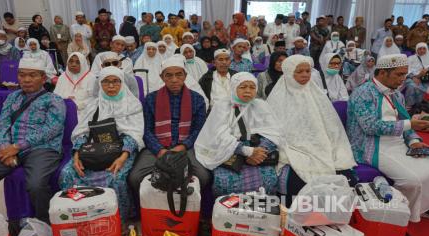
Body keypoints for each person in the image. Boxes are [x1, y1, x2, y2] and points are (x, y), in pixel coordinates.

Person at [347, 53, 429, 222]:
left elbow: (404, 119)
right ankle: (407, 214)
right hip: (372, 146)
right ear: (382, 73)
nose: (403, 79)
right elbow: (370, 127)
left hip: (399, 142)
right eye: (399, 74)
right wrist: (410, 125)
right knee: (414, 180)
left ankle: (426, 205)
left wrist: (413, 140)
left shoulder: (396, 93)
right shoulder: (363, 93)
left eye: (405, 74)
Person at [0, 58, 66, 223]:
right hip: (11, 149)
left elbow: (52, 129)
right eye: (22, 75)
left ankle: (45, 224)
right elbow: (3, 125)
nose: (26, 80)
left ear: (43, 78)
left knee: (35, 185)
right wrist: (5, 148)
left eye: (32, 75)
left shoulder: (54, 100)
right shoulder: (12, 98)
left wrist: (17, 146)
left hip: (43, 149)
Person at [267, 55, 357, 206]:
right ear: (289, 73)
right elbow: (274, 129)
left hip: (322, 144)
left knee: (345, 176)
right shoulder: (277, 96)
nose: (304, 75)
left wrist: (326, 144)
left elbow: (331, 125)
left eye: (307, 71)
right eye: (299, 71)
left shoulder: (316, 93)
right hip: (294, 147)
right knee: (298, 181)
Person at [59, 66, 143, 226]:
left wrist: (123, 157)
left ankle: (119, 222)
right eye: (106, 82)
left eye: (115, 81)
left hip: (122, 151)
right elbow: (81, 133)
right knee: (67, 173)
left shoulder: (132, 105)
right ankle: (81, 216)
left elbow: (135, 135)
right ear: (100, 84)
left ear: (122, 83)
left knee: (116, 178)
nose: (111, 86)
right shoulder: (93, 105)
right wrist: (76, 154)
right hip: (93, 150)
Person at [127, 56, 210, 192]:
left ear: (185, 75)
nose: (174, 80)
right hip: (157, 148)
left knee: (203, 176)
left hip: (187, 148)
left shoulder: (197, 99)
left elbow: (198, 130)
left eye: (179, 74)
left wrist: (182, 147)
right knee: (135, 178)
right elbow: (146, 130)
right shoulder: (151, 99)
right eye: (169, 75)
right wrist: (160, 151)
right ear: (162, 77)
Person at [195, 72, 281, 196]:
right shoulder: (222, 106)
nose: (248, 91)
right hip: (229, 151)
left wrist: (259, 152)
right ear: (234, 88)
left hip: (258, 151)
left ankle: (259, 210)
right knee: (224, 182)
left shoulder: (261, 105)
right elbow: (218, 135)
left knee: (269, 178)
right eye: (243, 87)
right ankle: (227, 211)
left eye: (252, 87)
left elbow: (274, 132)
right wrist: (246, 151)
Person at [404, 42, 429, 108]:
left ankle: (422, 105)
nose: (422, 50)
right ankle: (409, 106)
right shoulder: (411, 58)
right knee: (412, 86)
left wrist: (428, 68)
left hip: (426, 79)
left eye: (424, 48)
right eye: (420, 49)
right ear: (416, 49)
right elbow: (406, 70)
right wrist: (414, 77)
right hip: (412, 78)